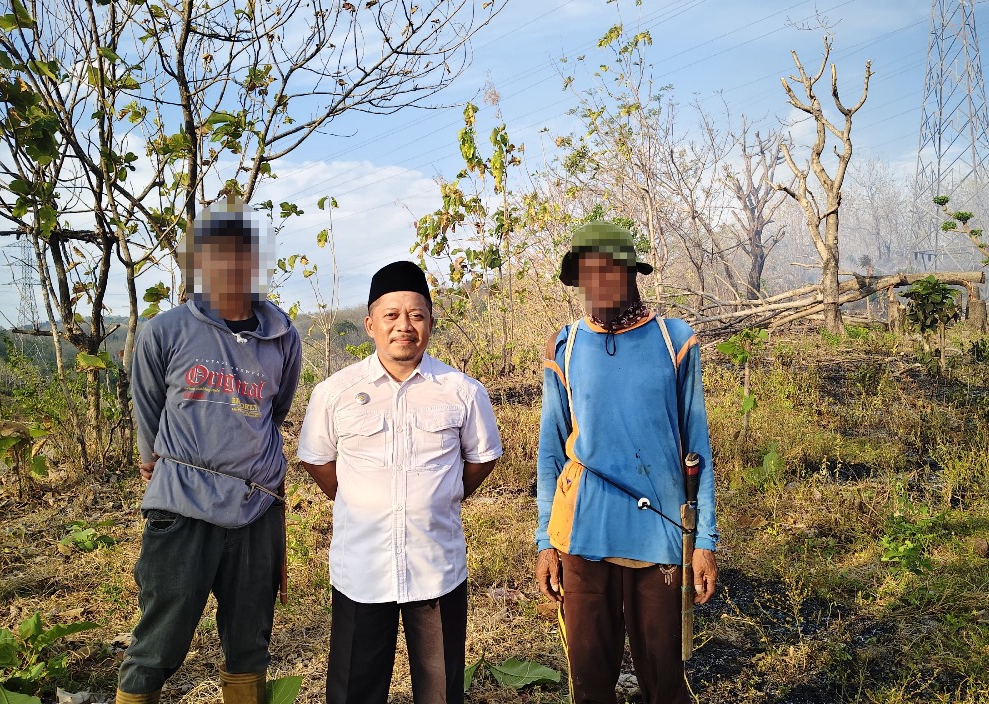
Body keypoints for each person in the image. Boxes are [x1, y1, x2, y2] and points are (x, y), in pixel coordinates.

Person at [116, 204, 302, 704]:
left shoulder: (282, 336)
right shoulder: (166, 332)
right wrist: (159, 465)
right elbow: (148, 414)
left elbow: (273, 410)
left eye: (242, 257)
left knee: (249, 644)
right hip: (182, 508)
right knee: (159, 641)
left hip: (257, 508)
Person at [296, 260, 503, 704]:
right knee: (355, 688)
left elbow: (482, 459)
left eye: (416, 315)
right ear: (371, 323)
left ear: (430, 322)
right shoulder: (335, 392)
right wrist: (356, 498)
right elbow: (317, 460)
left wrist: (441, 496)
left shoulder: (462, 391)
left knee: (441, 691)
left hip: (435, 567)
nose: (403, 326)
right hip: (362, 569)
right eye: (391, 315)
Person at [535, 219, 719, 704]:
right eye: (586, 274)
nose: (597, 285)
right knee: (590, 680)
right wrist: (544, 541)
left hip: (658, 534)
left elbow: (697, 446)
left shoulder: (673, 340)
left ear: (632, 274)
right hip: (581, 533)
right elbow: (552, 451)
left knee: (665, 677)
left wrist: (703, 542)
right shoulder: (566, 346)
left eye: (609, 272)